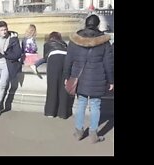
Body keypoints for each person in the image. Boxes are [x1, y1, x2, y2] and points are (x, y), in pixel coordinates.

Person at [63, 14, 114, 143]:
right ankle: (93, 135)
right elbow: (109, 63)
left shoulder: (75, 39)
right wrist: (111, 80)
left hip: (79, 78)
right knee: (96, 105)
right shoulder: (104, 41)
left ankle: (79, 132)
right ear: (97, 25)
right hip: (97, 78)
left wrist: (66, 76)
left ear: (85, 24)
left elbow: (68, 60)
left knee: (81, 104)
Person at [0, 21, 23, 119]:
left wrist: (5, 53)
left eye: (5, 29)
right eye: (2, 30)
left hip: (7, 64)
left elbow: (17, 54)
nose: (4, 32)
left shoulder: (13, 39)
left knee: (2, 87)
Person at [43, 32, 73, 119]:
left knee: (52, 86)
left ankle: (50, 112)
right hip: (65, 59)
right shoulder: (64, 44)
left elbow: (45, 58)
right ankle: (62, 113)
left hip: (54, 59)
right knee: (63, 86)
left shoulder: (47, 44)